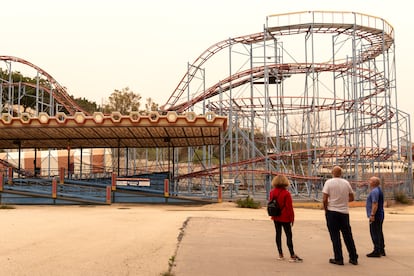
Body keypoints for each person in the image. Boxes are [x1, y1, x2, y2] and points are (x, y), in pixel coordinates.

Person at [322, 166, 358, 265]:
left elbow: (325, 198)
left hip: (332, 211)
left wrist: (326, 209)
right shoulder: (346, 183)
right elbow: (352, 197)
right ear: (341, 173)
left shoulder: (328, 182)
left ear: (332, 173)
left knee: (335, 236)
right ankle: (353, 257)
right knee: (348, 236)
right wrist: (343, 201)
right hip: (344, 212)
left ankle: (339, 258)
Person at [269, 175, 303, 263]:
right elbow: (289, 208)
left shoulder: (272, 192)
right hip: (285, 217)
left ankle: (280, 254)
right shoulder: (286, 193)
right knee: (288, 235)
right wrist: (292, 219)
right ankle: (292, 254)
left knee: (278, 234)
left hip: (276, 216)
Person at [366, 176, 385, 257]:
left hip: (376, 215)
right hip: (380, 214)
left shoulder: (374, 191)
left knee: (374, 232)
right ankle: (381, 249)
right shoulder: (378, 190)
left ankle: (376, 250)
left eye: (370, 180)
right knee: (379, 232)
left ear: (374, 183)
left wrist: (372, 214)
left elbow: (375, 203)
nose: (368, 181)